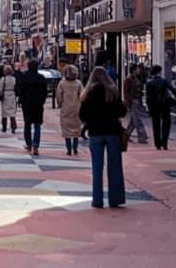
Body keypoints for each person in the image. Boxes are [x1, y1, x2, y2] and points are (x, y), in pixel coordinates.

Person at [79, 66, 127, 208]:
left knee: (97, 167)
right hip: (112, 132)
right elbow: (122, 112)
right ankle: (115, 199)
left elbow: (82, 116)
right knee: (115, 167)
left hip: (95, 133)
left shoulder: (87, 94)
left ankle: (97, 200)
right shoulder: (112, 92)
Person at [146, 65, 176, 150]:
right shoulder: (164, 81)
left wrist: (149, 108)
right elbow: (172, 90)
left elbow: (148, 97)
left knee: (156, 124)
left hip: (154, 106)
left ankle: (157, 143)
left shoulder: (150, 83)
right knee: (166, 124)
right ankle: (165, 142)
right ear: (159, 72)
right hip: (164, 105)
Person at [16, 59, 47, 155]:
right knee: (37, 125)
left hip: (27, 104)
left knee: (27, 124)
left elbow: (20, 90)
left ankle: (29, 143)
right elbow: (45, 92)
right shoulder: (41, 78)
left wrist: (20, 100)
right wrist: (42, 101)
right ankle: (36, 144)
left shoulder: (24, 77)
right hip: (38, 104)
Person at [56, 64, 83, 155]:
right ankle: (75, 147)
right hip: (76, 107)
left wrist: (59, 103)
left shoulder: (62, 83)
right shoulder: (78, 83)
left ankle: (68, 148)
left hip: (66, 107)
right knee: (76, 128)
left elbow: (59, 95)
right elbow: (82, 95)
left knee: (66, 128)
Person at [123, 64, 149, 144]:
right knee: (137, 119)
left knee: (133, 120)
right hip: (133, 101)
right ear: (134, 70)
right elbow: (126, 92)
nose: (139, 70)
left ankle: (126, 135)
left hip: (136, 101)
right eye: (137, 69)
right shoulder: (129, 79)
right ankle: (142, 136)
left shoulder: (136, 79)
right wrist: (129, 101)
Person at [0, 64, 18, 133]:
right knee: (12, 112)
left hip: (5, 95)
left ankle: (4, 128)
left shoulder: (3, 79)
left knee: (4, 113)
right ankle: (13, 127)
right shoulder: (14, 79)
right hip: (12, 95)